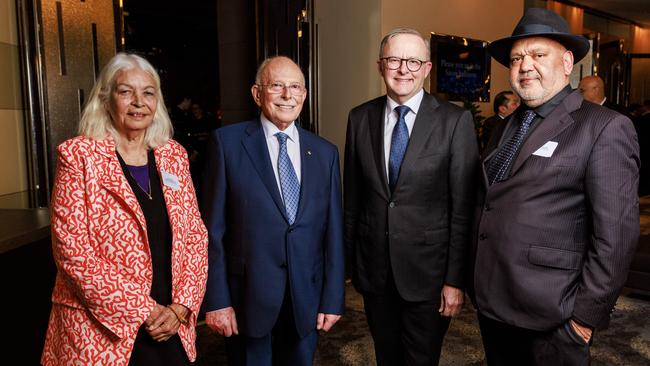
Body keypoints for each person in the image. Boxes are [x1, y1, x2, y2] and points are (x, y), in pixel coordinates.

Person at [472, 8, 639, 365]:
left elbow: (617, 234)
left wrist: (583, 318)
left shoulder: (604, 127)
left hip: (554, 315)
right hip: (494, 304)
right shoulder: (505, 126)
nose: (525, 65)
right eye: (517, 58)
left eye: (537, 55)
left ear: (567, 62)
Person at [41, 53, 209, 366]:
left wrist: (181, 307)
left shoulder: (173, 155)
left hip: (170, 327)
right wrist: (144, 310)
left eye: (148, 92)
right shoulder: (78, 156)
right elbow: (73, 254)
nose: (138, 102)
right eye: (125, 92)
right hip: (100, 332)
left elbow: (196, 237)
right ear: (106, 99)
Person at [344, 28, 479, 365]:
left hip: (429, 277)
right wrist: (347, 269)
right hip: (375, 273)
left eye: (413, 61)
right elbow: (352, 202)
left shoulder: (454, 121)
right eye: (394, 60)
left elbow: (463, 210)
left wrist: (454, 280)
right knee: (386, 357)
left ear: (427, 68)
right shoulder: (359, 118)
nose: (403, 69)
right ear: (380, 66)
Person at [202, 56, 344, 366]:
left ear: (304, 95)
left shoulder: (324, 153)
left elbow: (333, 233)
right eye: (276, 85)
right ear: (257, 94)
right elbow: (212, 231)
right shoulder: (227, 144)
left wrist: (333, 298)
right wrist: (217, 301)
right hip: (247, 301)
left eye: (295, 87)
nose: (287, 94)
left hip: (305, 301)